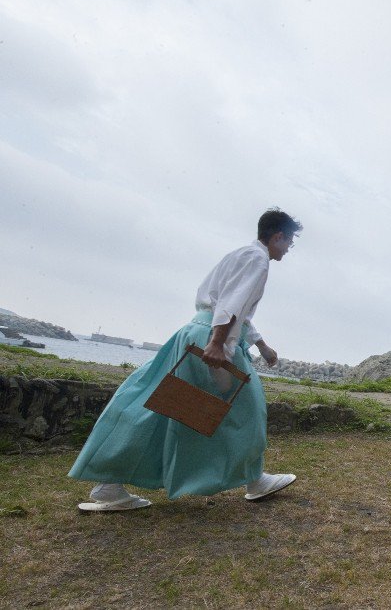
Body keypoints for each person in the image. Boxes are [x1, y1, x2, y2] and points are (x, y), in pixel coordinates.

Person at [69, 208, 303, 511]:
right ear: (278, 235)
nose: (288, 249)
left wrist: (262, 345)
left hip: (196, 332)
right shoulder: (257, 259)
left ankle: (109, 486)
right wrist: (218, 344)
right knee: (247, 405)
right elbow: (231, 305)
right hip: (210, 340)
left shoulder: (241, 254)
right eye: (289, 242)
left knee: (162, 405)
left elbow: (230, 306)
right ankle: (254, 480)